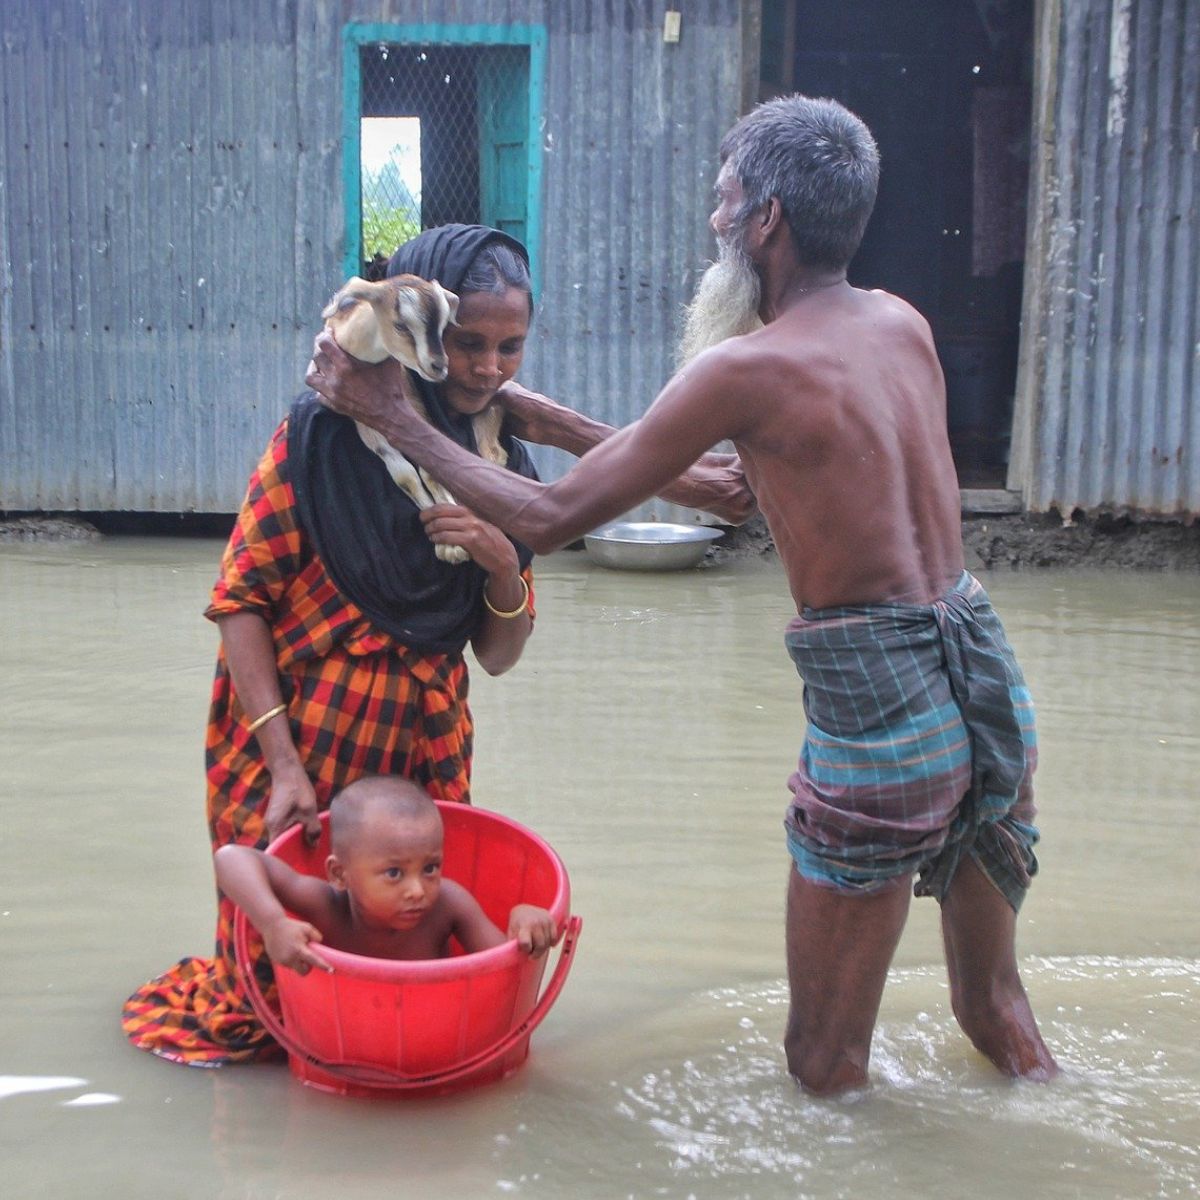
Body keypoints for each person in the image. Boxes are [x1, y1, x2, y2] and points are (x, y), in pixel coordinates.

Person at [306, 97, 1059, 1094]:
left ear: (767, 222)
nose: (714, 221)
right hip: (986, 682)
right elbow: (732, 485)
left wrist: (392, 413)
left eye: (725, 199)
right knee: (991, 1008)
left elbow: (549, 517)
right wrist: (513, 403)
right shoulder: (901, 326)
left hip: (883, 716)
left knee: (821, 1066)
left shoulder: (748, 367)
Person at [122, 222, 751, 1068]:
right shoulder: (319, 438)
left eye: (511, 346)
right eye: (467, 344)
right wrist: (281, 765)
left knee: (405, 951)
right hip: (290, 733)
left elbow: (498, 654)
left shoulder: (502, 463)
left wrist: (500, 564)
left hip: (424, 745)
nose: (489, 369)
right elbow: (241, 602)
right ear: (423, 336)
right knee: (277, 981)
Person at [214, 776, 558, 971]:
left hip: (437, 1038)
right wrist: (273, 923)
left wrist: (524, 918)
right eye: (394, 873)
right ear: (339, 874)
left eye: (430, 868)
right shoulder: (327, 906)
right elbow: (230, 858)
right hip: (349, 1041)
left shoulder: (449, 905)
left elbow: (504, 968)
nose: (417, 890)